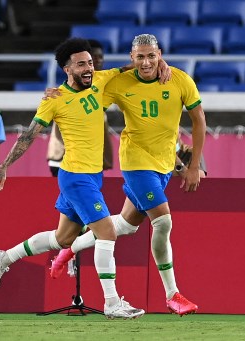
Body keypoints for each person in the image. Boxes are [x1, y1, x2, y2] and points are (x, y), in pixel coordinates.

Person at [0, 38, 147, 320]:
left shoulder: (100, 80)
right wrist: (5, 166)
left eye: (90, 62)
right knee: (107, 232)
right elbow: (29, 135)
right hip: (76, 177)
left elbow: (134, 67)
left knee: (63, 239)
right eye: (81, 64)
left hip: (92, 175)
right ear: (67, 69)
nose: (89, 68)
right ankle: (112, 303)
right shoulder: (55, 99)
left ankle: (4, 257)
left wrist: (159, 65)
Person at [49, 34, 207, 316]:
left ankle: (70, 249)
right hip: (135, 162)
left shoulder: (181, 80)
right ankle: (173, 294)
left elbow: (199, 120)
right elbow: (86, 93)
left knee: (124, 225)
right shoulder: (120, 83)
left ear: (159, 54)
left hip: (162, 165)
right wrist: (57, 94)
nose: (146, 62)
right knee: (163, 222)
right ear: (131, 58)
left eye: (151, 56)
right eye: (140, 57)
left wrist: (193, 165)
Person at [47, 39, 113, 176]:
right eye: (93, 58)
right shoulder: (66, 91)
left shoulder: (99, 87)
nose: (98, 61)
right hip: (65, 160)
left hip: (90, 163)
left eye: (100, 57)